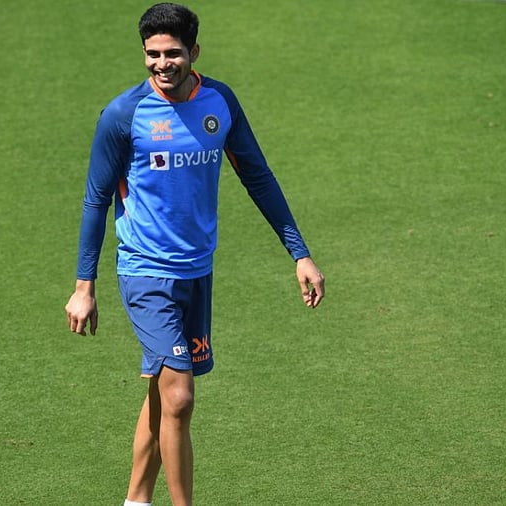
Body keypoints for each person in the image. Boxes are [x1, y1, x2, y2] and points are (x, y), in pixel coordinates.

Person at [64, 3, 325, 505]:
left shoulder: (219, 102)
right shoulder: (124, 115)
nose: (162, 64)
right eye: (152, 54)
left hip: (197, 273)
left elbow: (258, 177)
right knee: (181, 397)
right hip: (144, 272)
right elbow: (96, 198)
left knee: (165, 397)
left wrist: (300, 254)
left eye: (172, 53)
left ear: (194, 52)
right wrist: (84, 287)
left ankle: (135, 500)